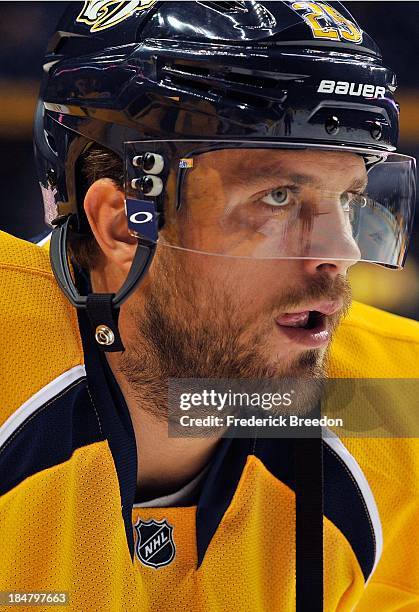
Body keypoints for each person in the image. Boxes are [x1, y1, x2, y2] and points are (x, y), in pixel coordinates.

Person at [1, 2, 418, 611]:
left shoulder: (398, 403)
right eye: (278, 196)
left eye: (349, 200)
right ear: (124, 226)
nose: (341, 251)